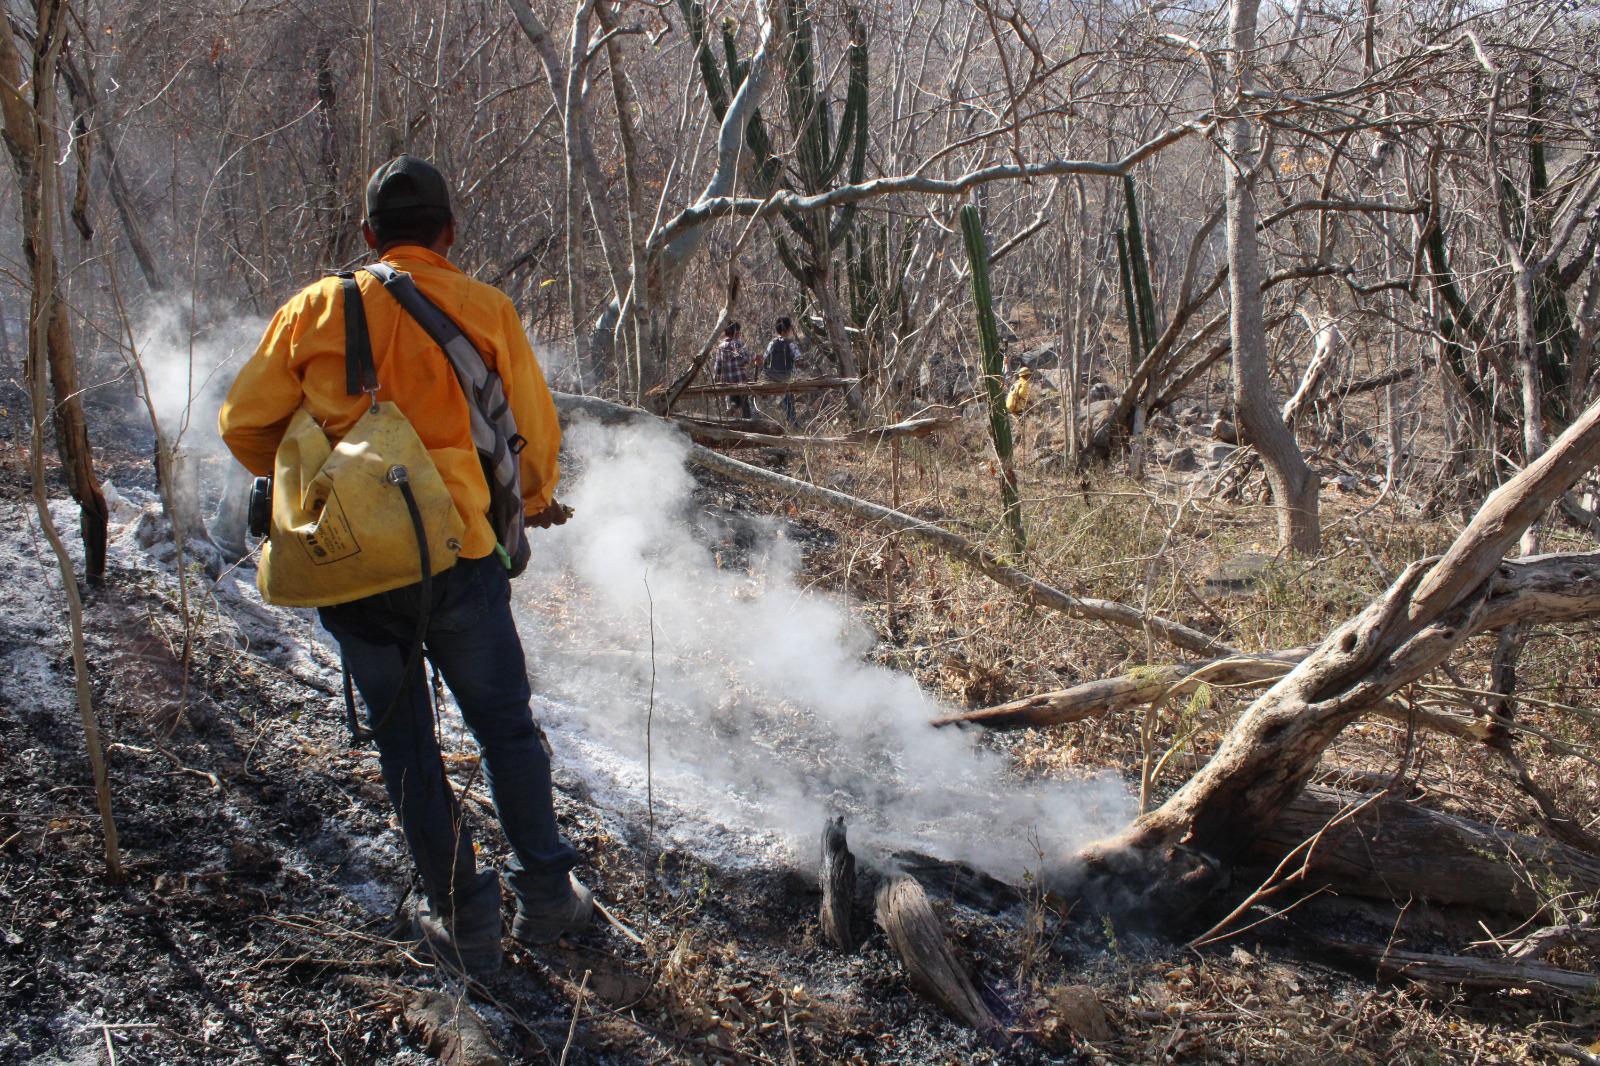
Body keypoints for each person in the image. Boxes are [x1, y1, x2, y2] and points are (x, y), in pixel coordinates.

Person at [218, 155, 588, 977]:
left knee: (408, 748)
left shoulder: (310, 309)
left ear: (367, 236)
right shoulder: (484, 307)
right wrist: (526, 501)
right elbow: (532, 435)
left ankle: (466, 919)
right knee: (505, 728)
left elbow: (244, 429)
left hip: (350, 568)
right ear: (450, 234)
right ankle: (549, 897)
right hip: (459, 557)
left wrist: (315, 460)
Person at [711, 320, 758, 419]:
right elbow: (746, 360)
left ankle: (732, 408)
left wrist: (717, 378)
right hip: (741, 379)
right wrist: (753, 358)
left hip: (728, 381)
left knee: (733, 397)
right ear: (736, 332)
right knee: (744, 401)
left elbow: (718, 366)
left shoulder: (720, 347)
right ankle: (748, 422)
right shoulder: (738, 343)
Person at [763, 316, 800, 423]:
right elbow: (798, 358)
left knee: (776, 400)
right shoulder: (790, 343)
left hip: (772, 376)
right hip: (786, 377)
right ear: (788, 330)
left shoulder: (772, 343)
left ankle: (773, 418)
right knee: (788, 399)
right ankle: (792, 421)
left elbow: (765, 358)